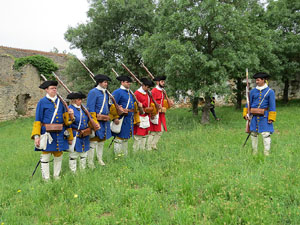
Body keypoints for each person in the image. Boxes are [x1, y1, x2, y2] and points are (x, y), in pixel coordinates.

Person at [31, 80, 74, 181]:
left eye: (55, 88)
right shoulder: (42, 102)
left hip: (60, 133)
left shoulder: (62, 102)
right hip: (47, 133)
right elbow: (38, 120)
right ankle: (46, 178)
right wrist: (37, 136)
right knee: (45, 155)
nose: (54, 90)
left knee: (58, 155)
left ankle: (56, 176)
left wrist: (70, 115)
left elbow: (67, 122)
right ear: (46, 90)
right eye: (52, 88)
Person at [243, 72, 276, 156]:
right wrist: (246, 113)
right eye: (256, 80)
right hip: (253, 116)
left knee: (266, 135)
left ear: (263, 80)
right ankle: (254, 152)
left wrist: (271, 118)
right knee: (253, 134)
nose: (256, 82)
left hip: (265, 116)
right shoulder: (253, 91)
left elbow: (272, 106)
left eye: (258, 80)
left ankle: (266, 153)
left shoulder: (270, 92)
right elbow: (248, 103)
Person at [109, 75, 141, 156]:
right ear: (122, 82)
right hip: (121, 118)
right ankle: (118, 156)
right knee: (119, 139)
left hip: (129, 119)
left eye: (129, 82)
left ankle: (125, 155)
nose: (129, 84)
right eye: (127, 82)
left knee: (125, 138)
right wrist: (114, 118)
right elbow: (111, 106)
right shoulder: (117, 92)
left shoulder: (130, 93)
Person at [86, 74, 112, 168]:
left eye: (106, 82)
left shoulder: (105, 93)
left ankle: (100, 159)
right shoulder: (93, 92)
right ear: (99, 82)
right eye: (105, 82)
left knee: (101, 142)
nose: (106, 84)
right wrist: (94, 122)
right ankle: (90, 163)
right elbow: (90, 109)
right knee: (93, 142)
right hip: (96, 120)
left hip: (104, 120)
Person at [67, 92, 92, 173]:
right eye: (78, 99)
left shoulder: (83, 108)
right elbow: (67, 125)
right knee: (74, 155)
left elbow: (89, 119)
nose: (80, 101)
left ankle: (83, 171)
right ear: (74, 100)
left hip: (85, 134)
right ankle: (73, 172)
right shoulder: (69, 109)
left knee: (84, 153)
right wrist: (70, 137)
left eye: (81, 99)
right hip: (75, 134)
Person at [147, 76, 173, 150]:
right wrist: (152, 114)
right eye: (162, 81)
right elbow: (151, 103)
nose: (163, 83)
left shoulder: (162, 91)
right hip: (155, 113)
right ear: (157, 82)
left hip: (161, 114)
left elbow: (162, 101)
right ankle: (148, 147)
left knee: (160, 131)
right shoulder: (154, 91)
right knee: (153, 131)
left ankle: (153, 145)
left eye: (163, 81)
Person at [133, 78, 155, 152]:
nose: (148, 89)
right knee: (138, 135)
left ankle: (142, 150)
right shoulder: (137, 93)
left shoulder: (147, 93)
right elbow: (136, 105)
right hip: (140, 115)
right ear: (144, 86)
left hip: (146, 116)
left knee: (145, 134)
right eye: (148, 87)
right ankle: (135, 151)